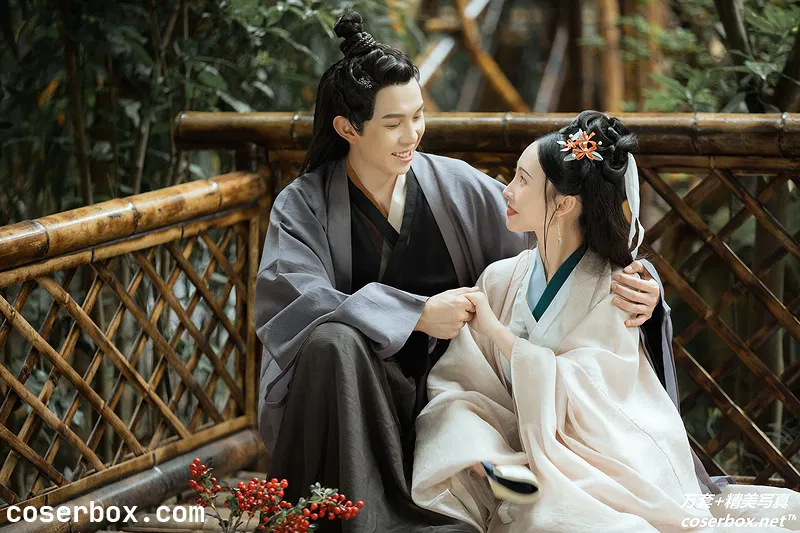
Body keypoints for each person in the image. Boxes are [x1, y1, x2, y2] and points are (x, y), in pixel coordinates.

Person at [255, 12, 666, 533]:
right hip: (351, 408)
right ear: (347, 128)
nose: (412, 135)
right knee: (331, 341)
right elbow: (296, 301)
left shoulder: (455, 188)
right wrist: (416, 313)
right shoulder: (303, 206)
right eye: (393, 124)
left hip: (453, 403)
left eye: (418, 116)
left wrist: (640, 288)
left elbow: (557, 242)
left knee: (504, 468)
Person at [411, 111, 800, 532]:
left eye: (522, 180)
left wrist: (496, 333)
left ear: (564, 203)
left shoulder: (617, 290)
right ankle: (507, 478)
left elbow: (596, 402)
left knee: (558, 521)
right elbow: (462, 380)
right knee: (455, 421)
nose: (507, 190)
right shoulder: (500, 279)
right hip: (513, 448)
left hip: (594, 460)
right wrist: (485, 445)